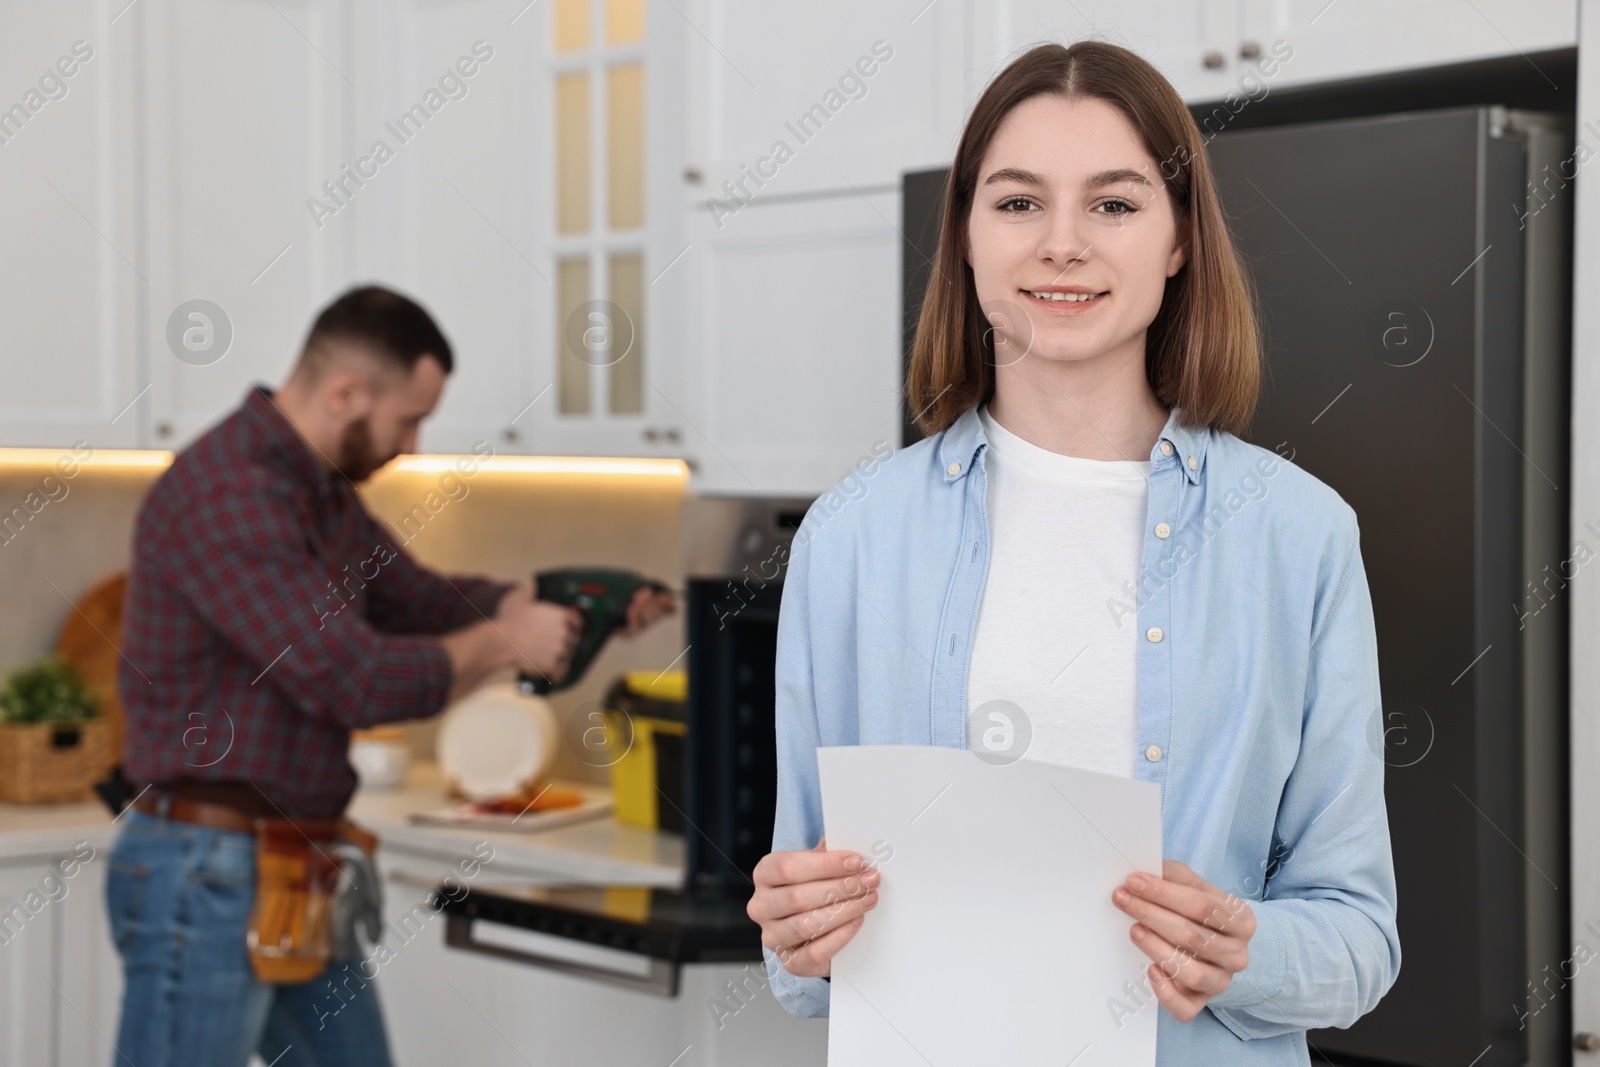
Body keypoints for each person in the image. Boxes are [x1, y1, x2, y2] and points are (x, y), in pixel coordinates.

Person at [746, 40, 1400, 1062]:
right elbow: (797, 959)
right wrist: (797, 927)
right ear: (965, 235)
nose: (1062, 244)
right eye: (1015, 202)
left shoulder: (1297, 534)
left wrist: (1243, 946)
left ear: (1179, 238)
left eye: (1113, 203)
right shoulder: (851, 537)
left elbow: (1359, 940)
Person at [105, 285, 675, 1067]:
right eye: (409, 418)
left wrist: (553, 599)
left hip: (290, 867)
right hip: (204, 875)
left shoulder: (320, 493)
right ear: (346, 392)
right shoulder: (233, 493)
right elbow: (354, 678)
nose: (410, 442)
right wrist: (508, 641)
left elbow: (415, 597)